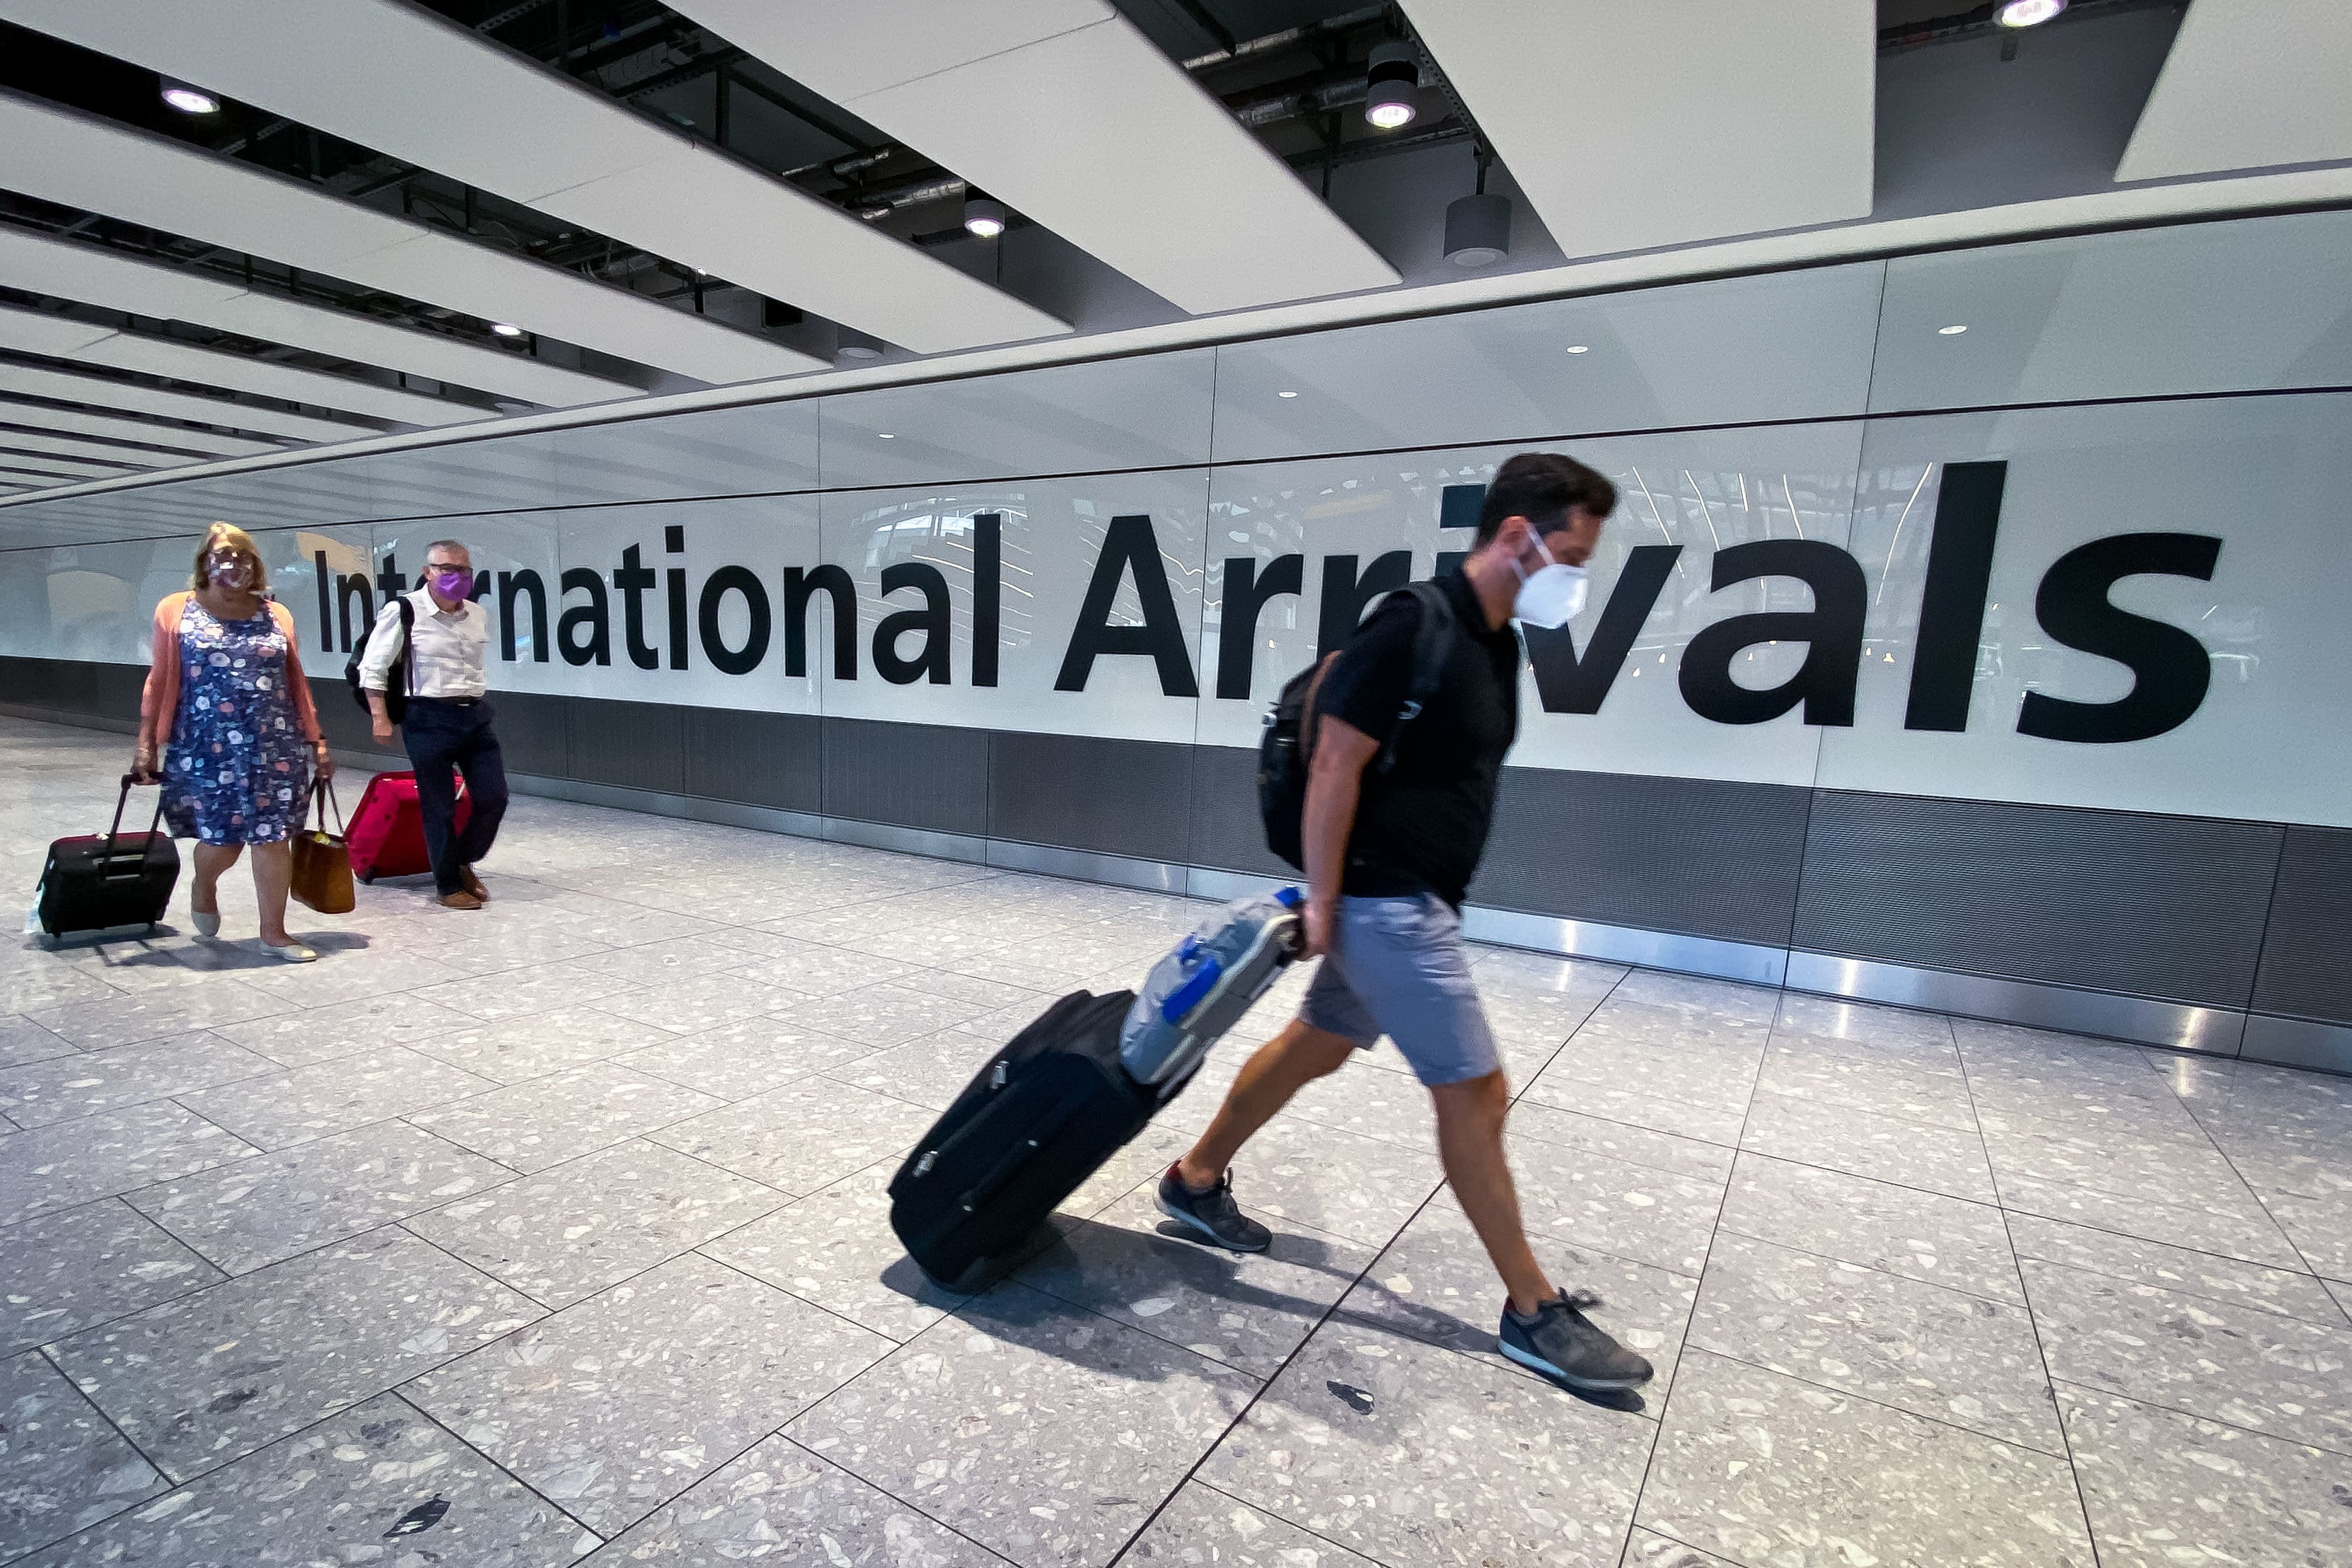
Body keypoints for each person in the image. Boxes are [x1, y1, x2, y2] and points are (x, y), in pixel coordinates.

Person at [1157, 452, 1654, 1394]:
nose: (1579, 576)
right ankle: (1531, 1312)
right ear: (1518, 536)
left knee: (1318, 1044)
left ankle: (1191, 1182)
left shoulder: (1496, 640)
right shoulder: (1409, 622)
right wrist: (1325, 899)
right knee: (1477, 1092)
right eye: (1573, 554)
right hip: (1384, 902)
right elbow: (1336, 761)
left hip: (1409, 897)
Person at [132, 522, 335, 963]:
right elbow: (159, 679)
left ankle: (273, 932)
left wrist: (316, 740)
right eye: (222, 555)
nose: (232, 563)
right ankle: (204, 884)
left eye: (242, 556)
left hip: (274, 744)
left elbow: (295, 681)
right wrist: (146, 742)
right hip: (206, 745)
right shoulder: (175, 610)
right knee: (223, 842)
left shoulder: (275, 614)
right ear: (203, 563)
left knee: (273, 837)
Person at [357, 538, 508, 910]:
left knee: (494, 797)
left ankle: (460, 858)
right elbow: (373, 668)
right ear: (428, 572)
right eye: (446, 569)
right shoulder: (404, 610)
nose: (456, 576)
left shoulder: (476, 613)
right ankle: (447, 885)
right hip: (427, 716)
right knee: (438, 806)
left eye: (464, 570)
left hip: (474, 714)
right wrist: (381, 718)